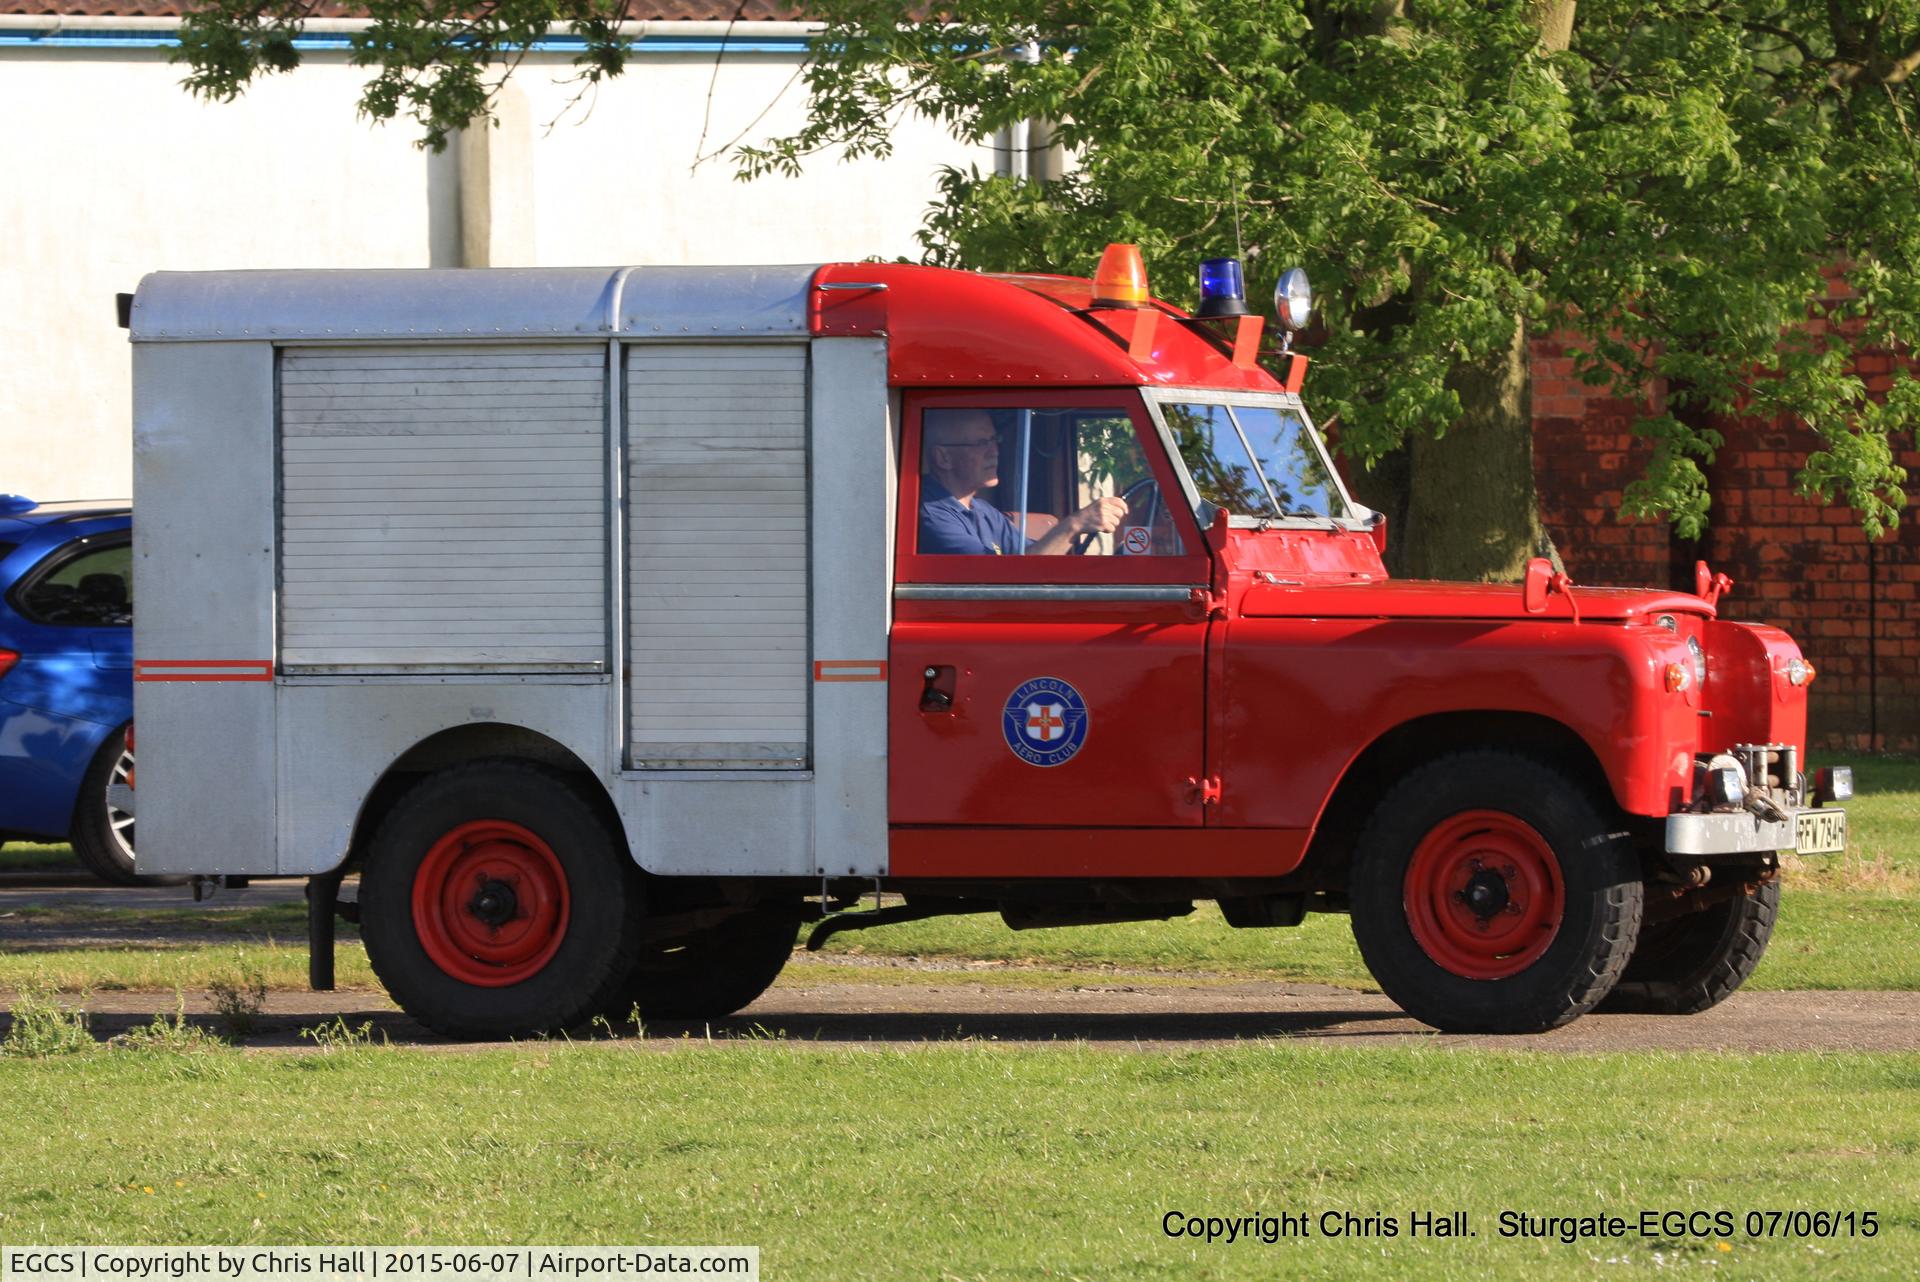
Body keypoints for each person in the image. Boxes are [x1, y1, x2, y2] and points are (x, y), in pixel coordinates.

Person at [918, 408, 1128, 555]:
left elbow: (1029, 559)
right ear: (943, 457)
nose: (995, 451)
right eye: (981, 443)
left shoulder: (982, 511)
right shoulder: (930, 516)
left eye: (994, 440)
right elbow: (1001, 582)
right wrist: (1075, 524)